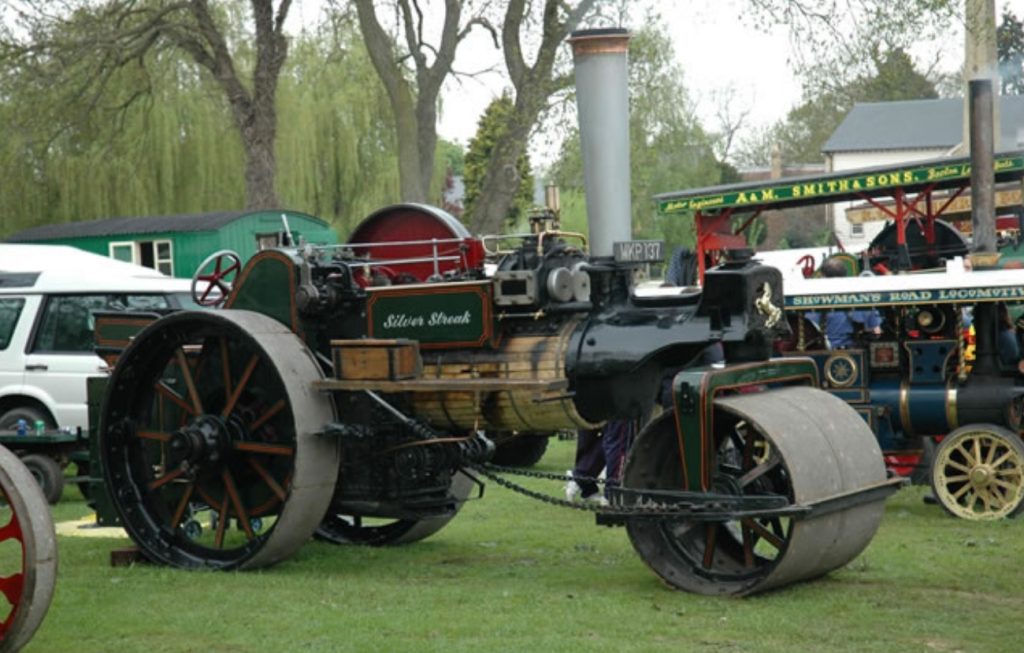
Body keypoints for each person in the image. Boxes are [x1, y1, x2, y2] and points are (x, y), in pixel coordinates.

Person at [811, 257, 882, 349]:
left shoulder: (814, 301)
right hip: (856, 352)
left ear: (823, 277)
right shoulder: (864, 299)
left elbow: (809, 331)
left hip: (825, 353)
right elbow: (877, 331)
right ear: (844, 275)